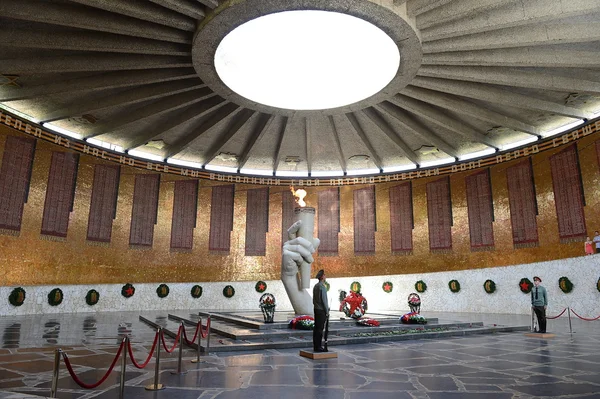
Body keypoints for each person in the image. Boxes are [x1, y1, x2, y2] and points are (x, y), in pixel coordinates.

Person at [313, 269, 329, 352]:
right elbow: (324, 300)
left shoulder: (316, 286)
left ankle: (316, 345)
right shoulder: (322, 287)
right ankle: (318, 346)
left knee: (316, 328)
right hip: (321, 310)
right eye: (325, 275)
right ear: (322, 277)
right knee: (320, 329)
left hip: (316, 308)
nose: (325, 276)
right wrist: (327, 311)